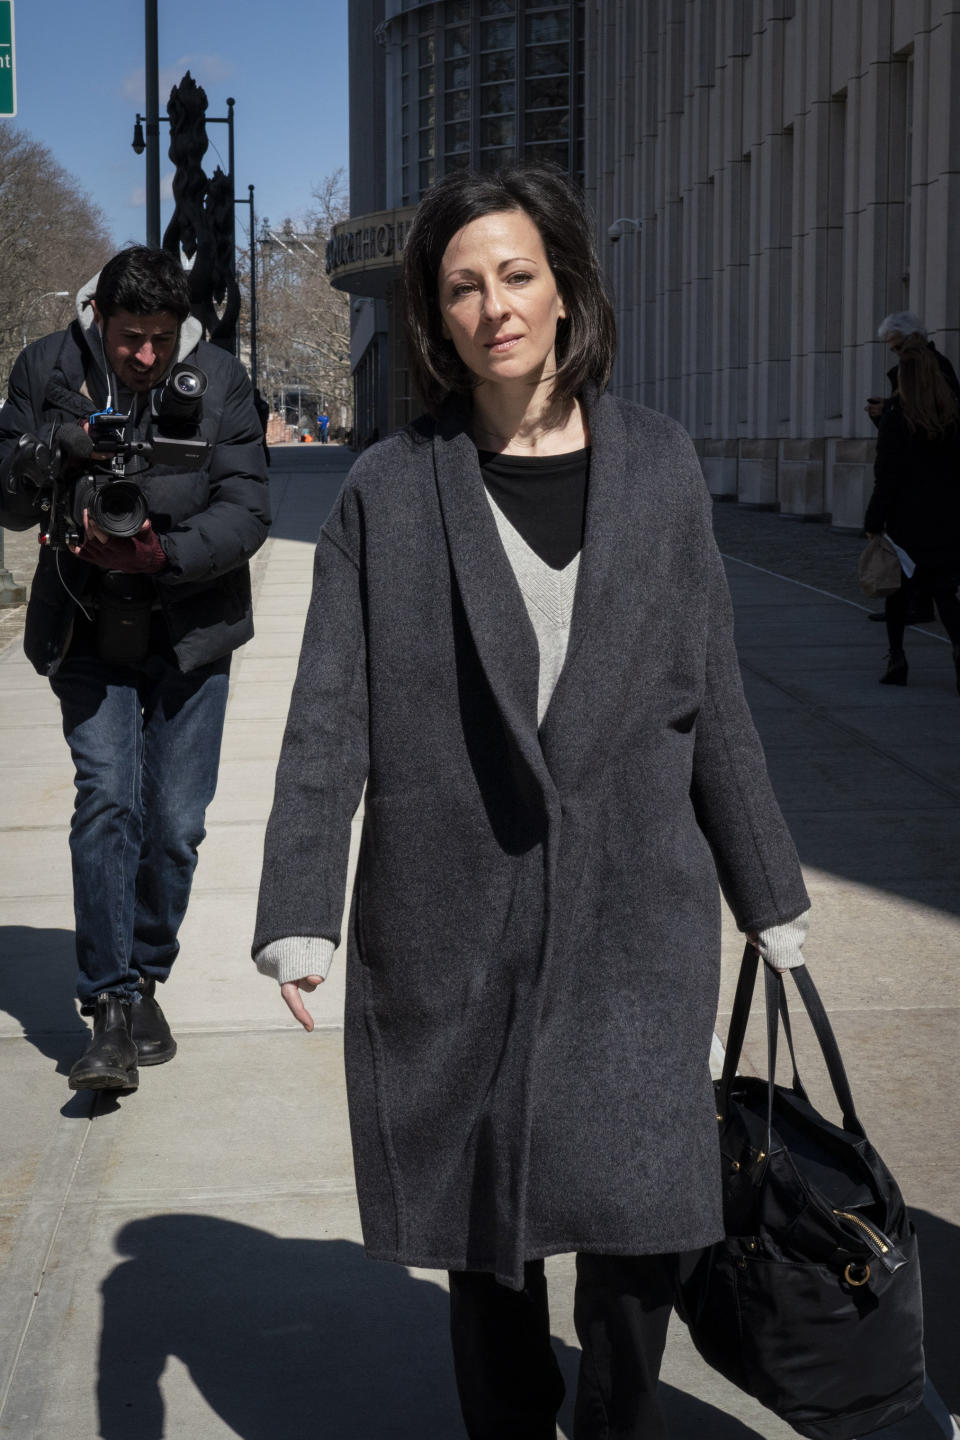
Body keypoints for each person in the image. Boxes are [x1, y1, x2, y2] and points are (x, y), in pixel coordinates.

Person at [252, 167, 810, 1439]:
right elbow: (329, 714)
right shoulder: (386, 494)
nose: (494, 304)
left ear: (563, 287)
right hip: (453, 915)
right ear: (434, 317)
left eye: (516, 274)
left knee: (637, 1233)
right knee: (485, 1231)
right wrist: (300, 906)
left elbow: (714, 693)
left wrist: (767, 888)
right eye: (462, 285)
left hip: (634, 914)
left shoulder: (662, 467)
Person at [0, 246, 270, 1093]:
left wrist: (166, 553)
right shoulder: (46, 367)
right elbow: (5, 494)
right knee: (110, 798)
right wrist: (53, 451)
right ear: (99, 319)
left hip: (190, 628)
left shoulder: (221, 380)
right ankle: (110, 1007)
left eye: (160, 338)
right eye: (129, 338)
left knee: (177, 825)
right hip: (85, 624)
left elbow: (250, 507)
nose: (146, 357)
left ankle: (145, 972)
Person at [865, 336, 960, 691]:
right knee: (945, 589)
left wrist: (874, 520)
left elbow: (886, 474)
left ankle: (897, 658)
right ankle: (958, 648)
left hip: (906, 517)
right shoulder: (952, 414)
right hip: (947, 516)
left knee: (897, 589)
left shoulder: (896, 416)